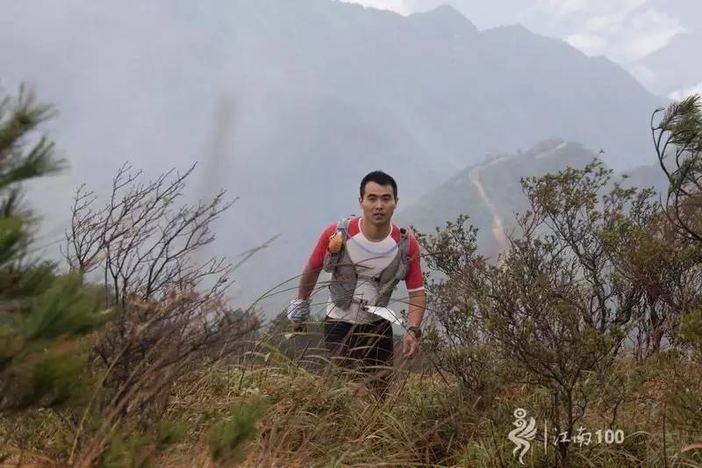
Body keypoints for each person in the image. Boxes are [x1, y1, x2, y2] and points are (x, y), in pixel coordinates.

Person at [286, 170, 426, 395]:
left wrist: (412, 330)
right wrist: (300, 308)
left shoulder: (406, 244)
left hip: (378, 326)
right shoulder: (337, 234)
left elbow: (417, 293)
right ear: (361, 202)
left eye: (386, 199)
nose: (378, 206)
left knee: (380, 395)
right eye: (372, 199)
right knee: (352, 390)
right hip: (338, 323)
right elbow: (312, 270)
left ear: (395, 202)